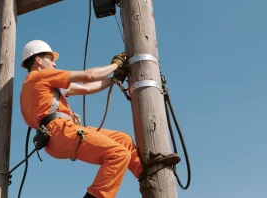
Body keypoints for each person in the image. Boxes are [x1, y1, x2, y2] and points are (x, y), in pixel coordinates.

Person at [19, 40, 180, 198]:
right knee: (119, 154)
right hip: (60, 131)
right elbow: (88, 76)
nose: (54, 64)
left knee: (123, 140)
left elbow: (85, 88)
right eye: (50, 59)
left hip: (55, 136)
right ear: (38, 60)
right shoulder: (42, 76)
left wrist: (114, 79)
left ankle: (145, 176)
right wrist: (116, 65)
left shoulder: (33, 87)